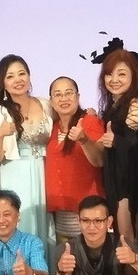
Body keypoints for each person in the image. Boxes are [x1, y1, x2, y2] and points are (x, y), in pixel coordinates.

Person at [0, 54, 53, 250]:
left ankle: (38, 268)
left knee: (40, 226)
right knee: (19, 224)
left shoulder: (45, 105)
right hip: (13, 175)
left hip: (42, 173)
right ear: (3, 83)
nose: (18, 80)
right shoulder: (0, 112)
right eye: (10, 76)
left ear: (29, 76)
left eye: (22, 74)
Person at [97, 43, 138, 247]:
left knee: (128, 237)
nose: (114, 79)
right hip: (118, 177)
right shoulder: (115, 105)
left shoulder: (135, 104)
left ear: (133, 76)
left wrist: (116, 141)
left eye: (121, 74)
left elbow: (137, 144)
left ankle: (137, 269)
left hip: (131, 180)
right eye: (109, 74)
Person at [44, 76, 104, 241]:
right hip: (61, 217)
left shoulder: (90, 121)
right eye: (58, 94)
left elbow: (100, 160)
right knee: (65, 255)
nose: (64, 98)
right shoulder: (51, 128)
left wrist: (84, 139)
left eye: (69, 93)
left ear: (78, 97)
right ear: (51, 101)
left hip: (89, 213)